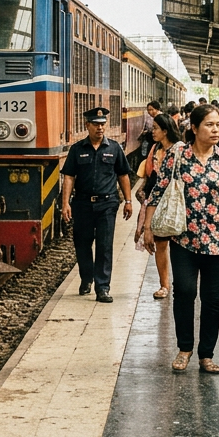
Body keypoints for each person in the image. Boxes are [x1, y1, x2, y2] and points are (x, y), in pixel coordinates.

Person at [143, 103, 219, 374]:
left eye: (218, 125)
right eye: (209, 125)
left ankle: (206, 355)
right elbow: (158, 191)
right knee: (185, 291)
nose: (215, 130)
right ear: (194, 127)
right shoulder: (178, 156)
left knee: (212, 299)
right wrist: (147, 227)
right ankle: (184, 348)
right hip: (184, 239)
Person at [61, 106, 133, 303]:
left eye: (102, 124)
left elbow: (123, 175)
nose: (100, 128)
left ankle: (103, 287)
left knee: (104, 246)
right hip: (82, 204)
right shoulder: (77, 149)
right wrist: (65, 203)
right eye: (95, 124)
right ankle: (86, 278)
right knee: (82, 244)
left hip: (107, 204)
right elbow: (69, 177)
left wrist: (128, 201)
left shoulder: (114, 148)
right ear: (87, 125)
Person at [133, 112, 182, 299]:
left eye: (155, 128)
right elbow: (151, 176)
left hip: (176, 204)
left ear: (165, 130)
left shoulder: (180, 150)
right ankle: (164, 285)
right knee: (160, 244)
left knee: (179, 245)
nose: (152, 131)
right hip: (157, 202)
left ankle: (181, 282)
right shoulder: (155, 149)